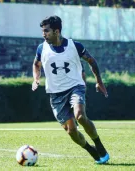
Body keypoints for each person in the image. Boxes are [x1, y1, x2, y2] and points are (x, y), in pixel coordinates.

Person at [32, 15, 109, 164]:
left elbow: (92, 61)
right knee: (72, 131)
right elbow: (36, 64)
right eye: (42, 31)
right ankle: (90, 149)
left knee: (80, 115)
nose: (43, 34)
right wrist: (36, 78)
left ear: (57, 31)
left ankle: (99, 144)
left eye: (46, 31)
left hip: (75, 87)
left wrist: (99, 81)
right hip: (55, 95)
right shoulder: (41, 48)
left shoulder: (76, 46)